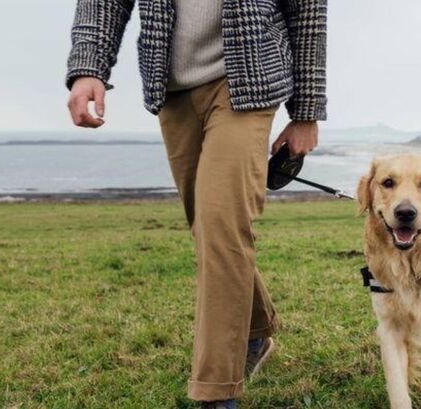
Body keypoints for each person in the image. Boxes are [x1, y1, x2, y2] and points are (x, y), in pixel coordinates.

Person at [65, 1, 327, 408]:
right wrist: (88, 68)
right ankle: (256, 330)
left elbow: (307, 10)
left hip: (248, 80)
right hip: (173, 87)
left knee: (221, 225)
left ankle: (217, 393)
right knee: (208, 227)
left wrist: (306, 111)